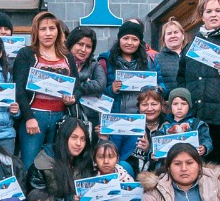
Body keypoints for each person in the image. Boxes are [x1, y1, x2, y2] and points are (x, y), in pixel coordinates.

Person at [12, 10, 80, 170]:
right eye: (43, 29)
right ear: (36, 31)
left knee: (55, 165)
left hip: (60, 117)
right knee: (30, 164)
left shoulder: (67, 56)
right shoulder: (26, 53)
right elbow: (19, 89)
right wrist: (28, 117)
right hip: (35, 115)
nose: (48, 33)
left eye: (52, 28)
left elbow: (77, 87)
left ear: (58, 31)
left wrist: (73, 98)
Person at [99, 19, 159, 159]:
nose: (129, 42)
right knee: (111, 158)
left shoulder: (149, 61)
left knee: (131, 160)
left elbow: (162, 85)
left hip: (139, 122)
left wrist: (157, 90)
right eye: (125, 38)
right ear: (119, 39)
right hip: (114, 121)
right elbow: (99, 94)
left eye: (134, 39)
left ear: (140, 42)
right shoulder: (106, 60)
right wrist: (111, 89)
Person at [67, 25, 108, 128]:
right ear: (71, 43)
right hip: (66, 117)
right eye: (80, 44)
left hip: (89, 119)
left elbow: (100, 85)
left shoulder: (94, 65)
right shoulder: (62, 63)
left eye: (88, 46)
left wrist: (75, 86)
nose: (83, 49)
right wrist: (87, 82)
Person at [125, 88, 168, 176]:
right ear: (138, 106)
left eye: (154, 104)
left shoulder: (168, 127)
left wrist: (149, 149)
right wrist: (104, 138)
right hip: (129, 175)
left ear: (161, 106)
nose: (149, 109)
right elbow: (115, 151)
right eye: (144, 104)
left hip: (156, 175)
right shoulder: (128, 123)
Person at [158, 87, 212, 157]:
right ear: (170, 106)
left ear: (189, 106)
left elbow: (206, 139)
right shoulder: (164, 126)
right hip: (169, 162)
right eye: (175, 104)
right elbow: (156, 143)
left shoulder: (197, 124)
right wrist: (152, 153)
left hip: (192, 160)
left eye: (183, 104)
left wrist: (204, 147)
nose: (179, 107)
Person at [155, 18, 187, 90]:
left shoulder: (190, 56)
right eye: (169, 33)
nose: (173, 36)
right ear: (164, 39)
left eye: (176, 32)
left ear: (183, 36)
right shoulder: (156, 59)